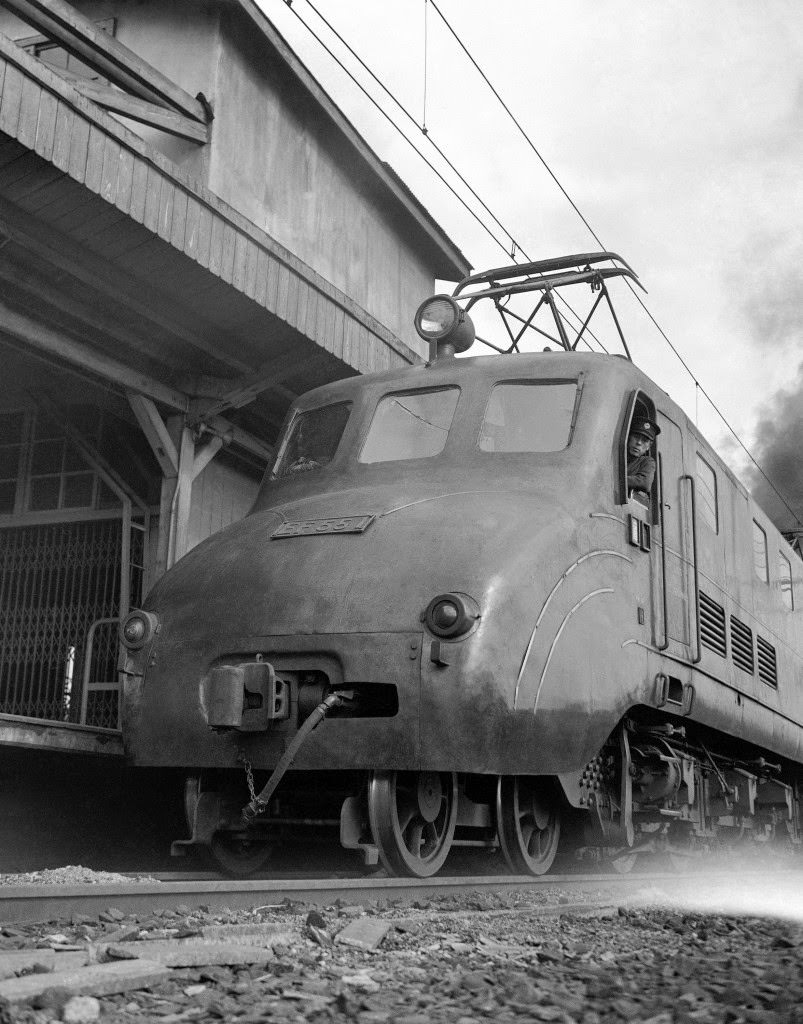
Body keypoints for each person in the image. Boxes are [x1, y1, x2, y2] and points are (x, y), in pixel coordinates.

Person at [627, 418, 659, 498]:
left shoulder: (647, 462)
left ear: (648, 447)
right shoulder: (615, 453)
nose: (639, 442)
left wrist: (615, 478)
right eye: (636, 437)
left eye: (644, 441)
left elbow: (645, 483)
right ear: (629, 438)